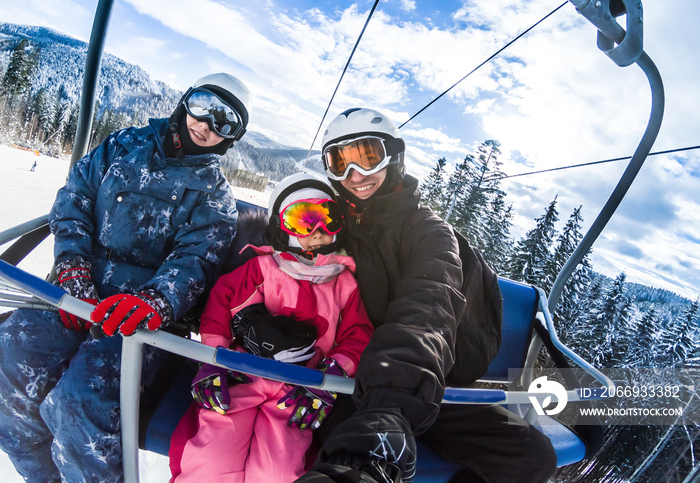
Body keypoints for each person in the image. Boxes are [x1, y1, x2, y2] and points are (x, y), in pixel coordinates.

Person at [0, 72, 252, 483]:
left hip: (137, 321)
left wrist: (155, 302)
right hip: (74, 294)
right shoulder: (123, 145)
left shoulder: (213, 197)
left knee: (80, 397)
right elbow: (73, 201)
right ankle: (40, 476)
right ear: (186, 100)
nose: (205, 125)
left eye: (224, 122)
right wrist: (71, 266)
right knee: (11, 352)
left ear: (231, 138)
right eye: (204, 105)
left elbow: (195, 263)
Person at [296, 108, 557, 483]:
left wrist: (387, 412)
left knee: (530, 458)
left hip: (421, 382)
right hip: (349, 381)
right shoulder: (333, 226)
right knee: (322, 451)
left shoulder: (430, 232)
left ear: (394, 157)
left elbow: (428, 310)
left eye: (368, 156)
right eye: (339, 162)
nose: (355, 175)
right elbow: (281, 261)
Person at [168, 173, 374, 483]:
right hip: (242, 374)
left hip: (299, 389)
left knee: (277, 471)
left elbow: (357, 334)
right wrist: (212, 361)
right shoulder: (264, 268)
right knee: (211, 460)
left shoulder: (344, 284)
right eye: (304, 220)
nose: (317, 232)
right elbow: (221, 304)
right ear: (283, 228)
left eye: (327, 219)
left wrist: (335, 373)